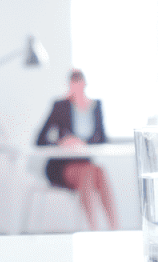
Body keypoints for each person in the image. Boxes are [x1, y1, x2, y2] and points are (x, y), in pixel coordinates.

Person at [35, 69, 118, 231]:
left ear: (85, 84)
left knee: (100, 172)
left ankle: (115, 229)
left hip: (85, 162)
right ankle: (93, 229)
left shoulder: (95, 106)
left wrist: (83, 143)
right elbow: (39, 139)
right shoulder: (60, 106)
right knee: (87, 172)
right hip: (60, 166)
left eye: (79, 84)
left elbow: (102, 138)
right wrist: (62, 142)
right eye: (73, 84)